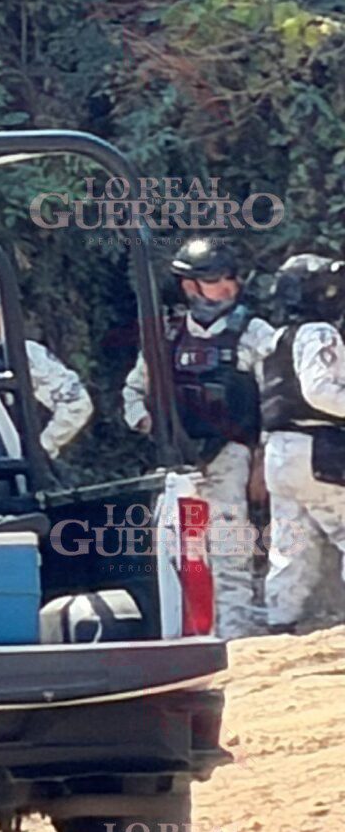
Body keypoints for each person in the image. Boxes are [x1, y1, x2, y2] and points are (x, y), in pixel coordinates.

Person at [123, 237, 278, 639]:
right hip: (178, 465)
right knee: (181, 553)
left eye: (230, 278)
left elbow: (276, 399)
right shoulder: (168, 336)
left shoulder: (254, 333)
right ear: (191, 286)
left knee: (231, 550)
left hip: (231, 457)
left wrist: (262, 462)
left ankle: (237, 638)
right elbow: (133, 392)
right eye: (215, 279)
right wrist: (153, 427)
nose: (227, 287)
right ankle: (188, 636)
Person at [260, 255, 345, 634]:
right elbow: (320, 391)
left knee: (289, 544)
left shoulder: (277, 338)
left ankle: (279, 626)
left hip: (280, 453)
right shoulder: (319, 333)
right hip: (317, 448)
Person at [0, 272, 93, 457]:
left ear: (0, 312)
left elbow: (77, 403)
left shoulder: (24, 354)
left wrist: (39, 450)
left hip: (9, 471)